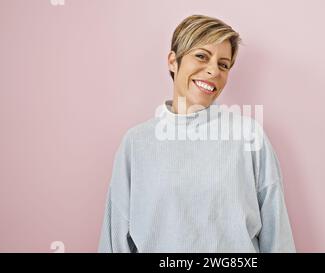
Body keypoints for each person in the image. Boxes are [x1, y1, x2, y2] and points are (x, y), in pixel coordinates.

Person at [98, 14, 295, 253]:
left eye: (223, 64)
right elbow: (114, 240)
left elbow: (278, 237)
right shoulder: (136, 143)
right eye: (201, 56)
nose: (213, 71)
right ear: (173, 61)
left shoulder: (249, 137)